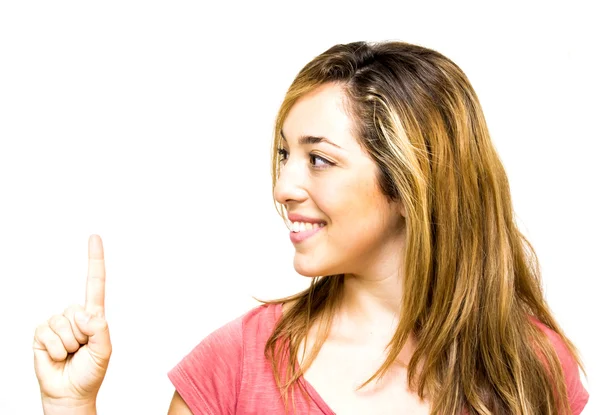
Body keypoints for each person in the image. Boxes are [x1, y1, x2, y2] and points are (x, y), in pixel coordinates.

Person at [33, 41, 589, 414]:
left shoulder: (527, 363)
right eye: (283, 155)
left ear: (411, 182)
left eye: (319, 158)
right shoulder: (234, 365)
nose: (283, 188)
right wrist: (69, 410)